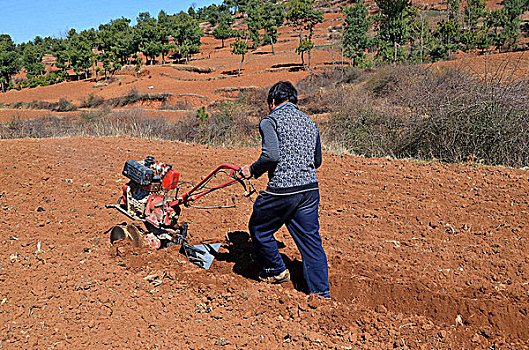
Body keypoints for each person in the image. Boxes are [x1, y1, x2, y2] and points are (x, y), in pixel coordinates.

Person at [240, 81, 330, 299]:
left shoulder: (270, 121)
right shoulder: (310, 123)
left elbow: (271, 155)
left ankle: (275, 270)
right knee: (311, 242)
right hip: (309, 190)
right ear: (294, 100)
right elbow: (316, 160)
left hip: (283, 190)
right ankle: (321, 296)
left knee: (259, 228)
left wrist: (251, 170)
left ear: (272, 102)